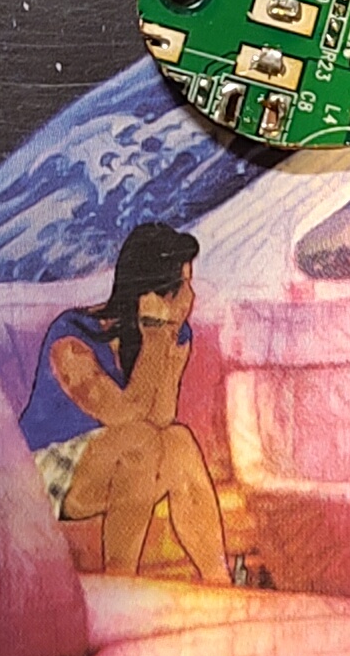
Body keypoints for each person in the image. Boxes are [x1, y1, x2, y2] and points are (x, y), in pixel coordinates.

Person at [25, 221, 230, 581]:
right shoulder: (72, 337)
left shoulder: (172, 336)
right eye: (181, 286)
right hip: (45, 469)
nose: (189, 297)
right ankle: (121, 581)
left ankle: (219, 580)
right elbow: (125, 416)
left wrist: (163, 339)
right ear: (151, 293)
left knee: (178, 441)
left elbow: (162, 417)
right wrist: (154, 334)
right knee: (141, 440)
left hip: (115, 460)